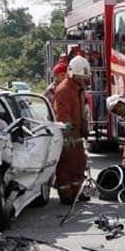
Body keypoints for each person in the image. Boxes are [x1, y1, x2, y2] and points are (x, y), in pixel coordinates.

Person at [53, 55, 90, 205]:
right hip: (68, 135)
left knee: (79, 164)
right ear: (74, 75)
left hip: (77, 133)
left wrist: (84, 126)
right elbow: (63, 114)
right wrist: (67, 135)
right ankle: (66, 194)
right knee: (66, 166)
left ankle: (77, 192)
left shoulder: (78, 89)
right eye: (82, 77)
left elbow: (80, 111)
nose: (84, 80)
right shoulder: (64, 90)